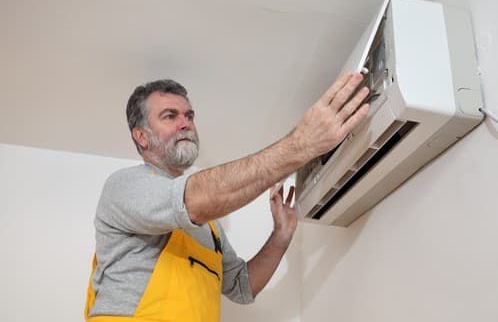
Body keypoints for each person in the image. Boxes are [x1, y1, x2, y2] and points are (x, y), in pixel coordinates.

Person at [85, 73, 369, 322]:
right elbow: (192, 198)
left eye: (189, 116)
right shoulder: (125, 186)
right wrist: (301, 144)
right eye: (170, 116)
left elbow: (242, 286)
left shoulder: (208, 226)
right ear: (141, 137)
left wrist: (281, 234)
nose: (185, 124)